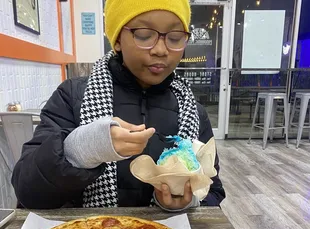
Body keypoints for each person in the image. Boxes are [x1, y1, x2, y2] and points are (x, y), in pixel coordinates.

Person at [12, 0, 225, 211]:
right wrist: (86, 147)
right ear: (117, 40)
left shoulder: (193, 112)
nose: (161, 50)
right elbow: (28, 191)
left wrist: (186, 201)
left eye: (175, 38)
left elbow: (213, 191)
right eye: (144, 35)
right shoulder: (72, 97)